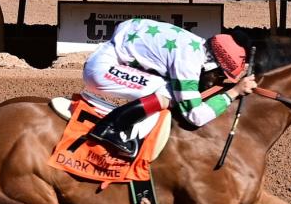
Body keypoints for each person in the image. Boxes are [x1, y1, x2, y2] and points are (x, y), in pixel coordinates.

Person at [81, 18, 257, 160]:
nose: (218, 80)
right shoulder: (188, 62)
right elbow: (195, 116)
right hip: (101, 68)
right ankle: (109, 129)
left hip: (109, 54)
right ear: (212, 65)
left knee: (166, 87)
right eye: (220, 74)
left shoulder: (195, 44)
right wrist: (234, 92)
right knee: (166, 92)